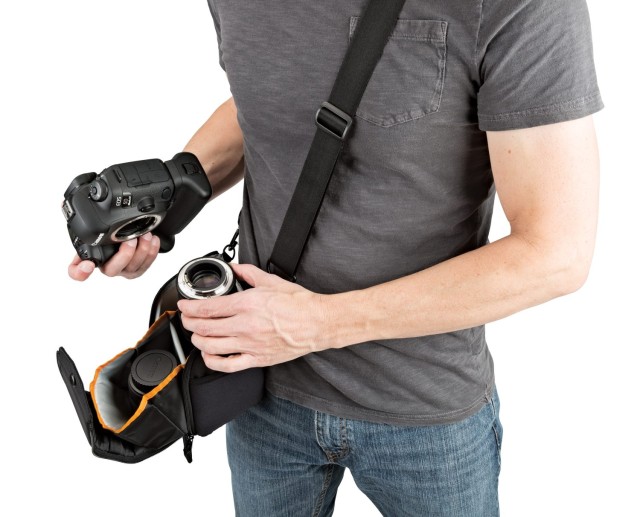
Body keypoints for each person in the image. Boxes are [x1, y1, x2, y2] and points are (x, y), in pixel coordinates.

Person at [69, 0, 603, 515]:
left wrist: (317, 324)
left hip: (422, 408)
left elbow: (555, 252)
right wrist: (169, 194)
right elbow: (272, 94)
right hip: (257, 387)